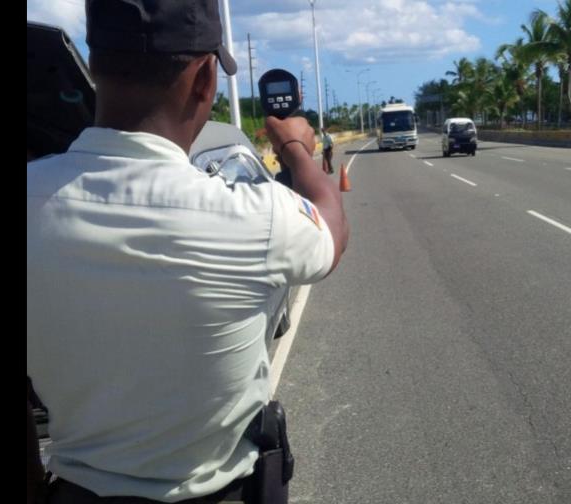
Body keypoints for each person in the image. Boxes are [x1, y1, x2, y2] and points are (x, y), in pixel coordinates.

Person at [26, 0, 348, 502]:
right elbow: (331, 225)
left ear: (95, 64)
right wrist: (294, 148)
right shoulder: (256, 217)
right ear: (204, 78)